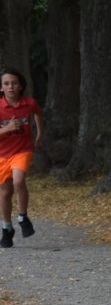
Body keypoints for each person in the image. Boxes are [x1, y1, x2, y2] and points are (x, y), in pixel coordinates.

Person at [0, 68, 43, 249]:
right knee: (5, 193)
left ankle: (23, 217)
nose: (10, 86)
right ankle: (7, 228)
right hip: (2, 154)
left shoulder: (29, 103)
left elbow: (38, 113)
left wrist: (40, 133)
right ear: (1, 88)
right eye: (6, 83)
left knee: (18, 180)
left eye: (14, 83)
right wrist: (7, 129)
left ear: (20, 86)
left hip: (22, 150)